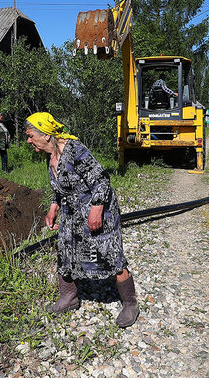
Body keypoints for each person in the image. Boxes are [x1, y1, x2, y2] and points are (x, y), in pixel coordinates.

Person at [25, 112, 139, 328]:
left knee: (110, 253)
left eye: (31, 136)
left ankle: (130, 303)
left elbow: (102, 181)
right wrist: (53, 208)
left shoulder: (76, 150)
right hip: (71, 211)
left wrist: (96, 210)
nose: (29, 141)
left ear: (47, 135)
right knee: (65, 250)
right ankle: (69, 298)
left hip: (98, 208)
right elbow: (60, 188)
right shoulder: (50, 156)